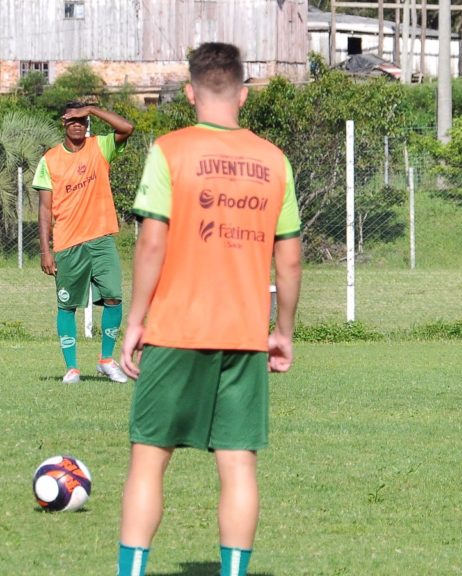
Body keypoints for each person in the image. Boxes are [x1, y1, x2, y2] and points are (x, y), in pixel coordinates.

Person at [115, 42, 302, 576]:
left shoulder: (170, 150)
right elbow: (288, 260)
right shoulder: (273, 160)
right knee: (239, 465)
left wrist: (135, 322)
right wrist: (282, 330)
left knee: (149, 460)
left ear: (192, 92)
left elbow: (152, 243)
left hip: (175, 329)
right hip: (244, 333)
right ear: (243, 94)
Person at [33, 102, 134, 384]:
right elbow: (44, 209)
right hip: (68, 243)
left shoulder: (99, 147)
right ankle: (72, 369)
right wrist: (45, 250)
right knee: (67, 306)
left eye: (82, 120)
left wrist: (91, 108)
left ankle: (105, 360)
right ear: (63, 123)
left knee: (114, 297)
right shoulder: (49, 160)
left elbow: (127, 128)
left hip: (101, 239)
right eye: (72, 120)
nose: (78, 124)